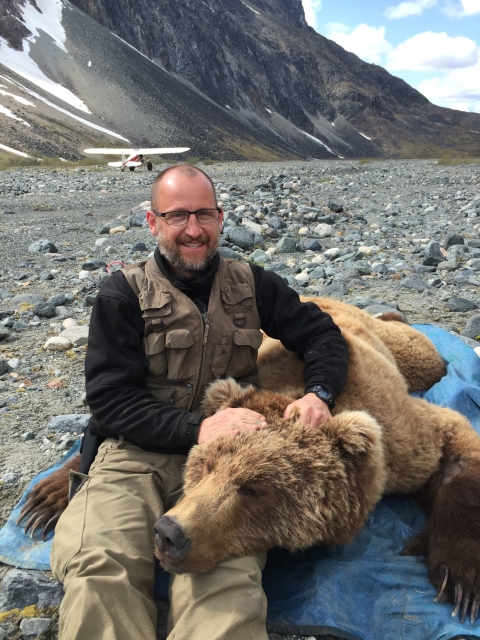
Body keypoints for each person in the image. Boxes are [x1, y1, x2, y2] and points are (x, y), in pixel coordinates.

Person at [50, 164, 349, 640]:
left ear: (220, 218)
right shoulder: (123, 294)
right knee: (101, 564)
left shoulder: (254, 283)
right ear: (153, 222)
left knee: (226, 584)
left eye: (204, 215)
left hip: (230, 464)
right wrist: (196, 429)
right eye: (177, 216)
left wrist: (320, 394)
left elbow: (322, 335)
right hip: (134, 456)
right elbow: (110, 400)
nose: (193, 229)